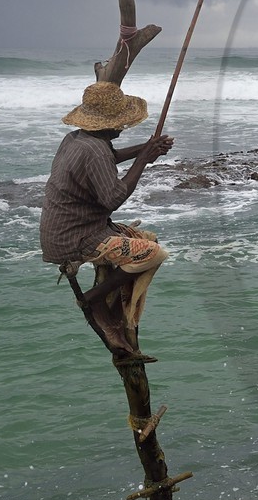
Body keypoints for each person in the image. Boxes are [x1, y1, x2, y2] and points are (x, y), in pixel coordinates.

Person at [40, 81, 173, 359]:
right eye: (121, 123)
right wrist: (143, 160)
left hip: (64, 229)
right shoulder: (95, 151)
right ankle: (95, 299)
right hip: (76, 238)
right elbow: (113, 199)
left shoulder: (78, 139)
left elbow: (110, 157)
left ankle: (114, 308)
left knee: (145, 239)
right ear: (109, 124)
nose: (123, 128)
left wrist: (146, 148)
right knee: (155, 253)